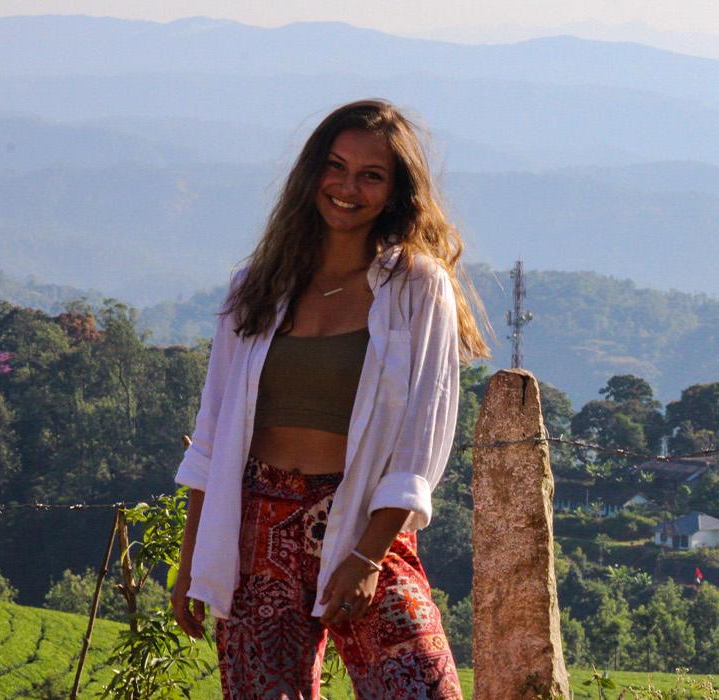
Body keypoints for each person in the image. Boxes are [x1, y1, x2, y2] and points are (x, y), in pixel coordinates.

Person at [169, 99, 488, 699]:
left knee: (421, 688)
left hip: (365, 525)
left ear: (396, 192)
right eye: (335, 167)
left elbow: (421, 445)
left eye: (371, 175)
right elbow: (211, 434)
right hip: (252, 532)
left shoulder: (417, 288)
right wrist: (192, 562)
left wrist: (368, 558)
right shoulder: (257, 287)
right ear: (312, 173)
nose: (347, 188)